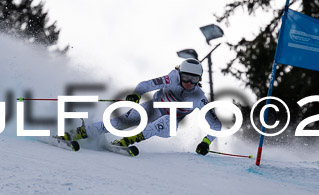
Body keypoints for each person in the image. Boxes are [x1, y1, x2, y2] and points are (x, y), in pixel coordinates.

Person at [63, 58, 221, 155]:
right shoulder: (172, 78)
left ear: (199, 79)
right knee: (124, 121)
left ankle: (128, 141)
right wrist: (137, 94)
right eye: (186, 77)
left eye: (193, 80)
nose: (188, 83)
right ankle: (79, 133)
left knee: (167, 120)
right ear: (180, 74)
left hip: (169, 124)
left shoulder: (198, 97)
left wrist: (206, 142)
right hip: (152, 108)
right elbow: (146, 84)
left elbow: (216, 124)